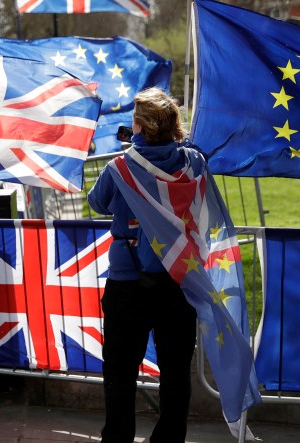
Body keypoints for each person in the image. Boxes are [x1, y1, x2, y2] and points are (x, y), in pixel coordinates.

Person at [87, 88, 199, 443]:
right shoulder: (193, 163)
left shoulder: (120, 168)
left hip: (128, 281)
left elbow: (98, 203)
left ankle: (117, 438)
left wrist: (132, 154)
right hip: (179, 277)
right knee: (176, 371)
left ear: (140, 127)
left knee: (120, 371)